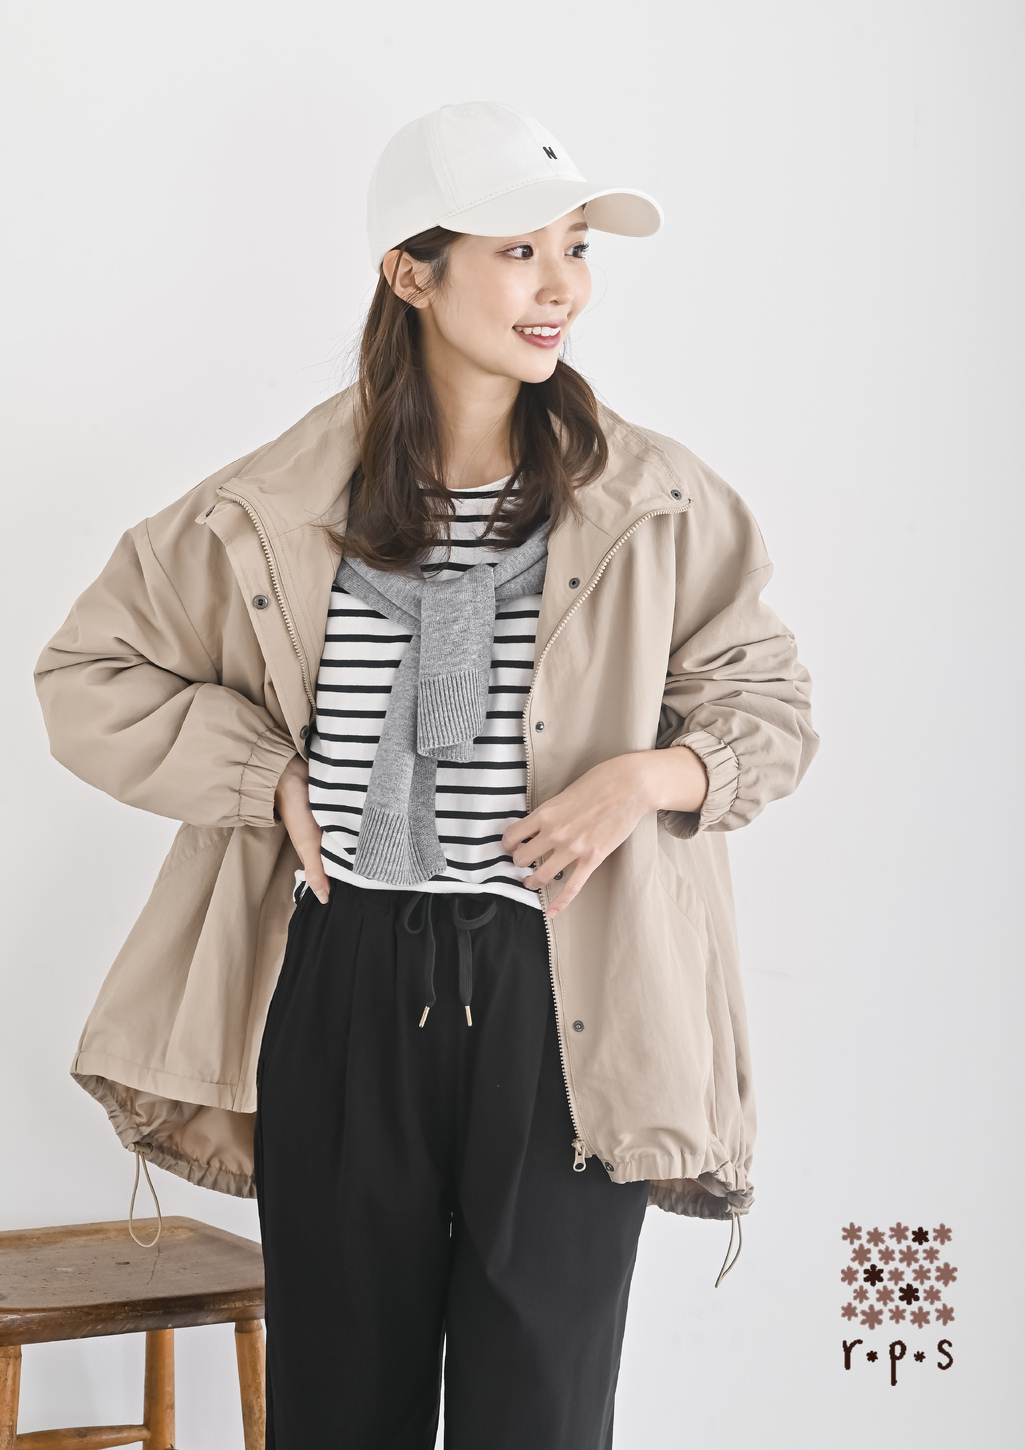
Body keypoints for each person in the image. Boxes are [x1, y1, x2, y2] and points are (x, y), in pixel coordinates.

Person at [35, 101, 819, 1449]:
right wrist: (263, 777)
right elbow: (87, 673)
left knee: (541, 1412)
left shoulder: (656, 500)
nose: (561, 285)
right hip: (345, 976)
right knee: (341, 1410)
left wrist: (648, 777)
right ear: (410, 271)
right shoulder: (273, 502)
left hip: (563, 993)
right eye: (519, 251)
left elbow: (770, 706)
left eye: (575, 248)